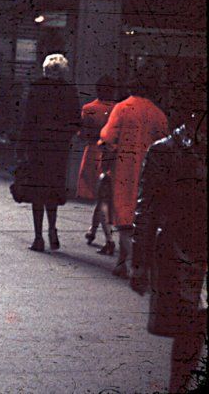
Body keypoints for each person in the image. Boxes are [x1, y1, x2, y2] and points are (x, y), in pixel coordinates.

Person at [129, 76, 206, 393]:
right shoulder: (165, 152)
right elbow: (145, 209)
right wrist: (139, 262)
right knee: (190, 330)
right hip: (182, 253)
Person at [100, 65, 168, 277]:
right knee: (141, 215)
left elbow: (108, 137)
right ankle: (128, 263)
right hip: (149, 170)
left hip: (124, 168)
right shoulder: (158, 114)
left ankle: (128, 263)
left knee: (123, 215)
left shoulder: (122, 108)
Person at [17, 54, 80, 252]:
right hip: (58, 149)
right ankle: (53, 229)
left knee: (37, 192)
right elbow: (76, 120)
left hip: (37, 148)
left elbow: (27, 119)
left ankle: (38, 237)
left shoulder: (36, 89)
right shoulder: (70, 91)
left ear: (45, 70)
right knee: (52, 190)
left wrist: (22, 146)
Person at [78, 75, 117, 254]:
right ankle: (93, 230)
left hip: (93, 153)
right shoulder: (119, 109)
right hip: (112, 154)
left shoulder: (89, 109)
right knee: (104, 197)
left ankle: (108, 238)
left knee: (100, 197)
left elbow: (83, 134)